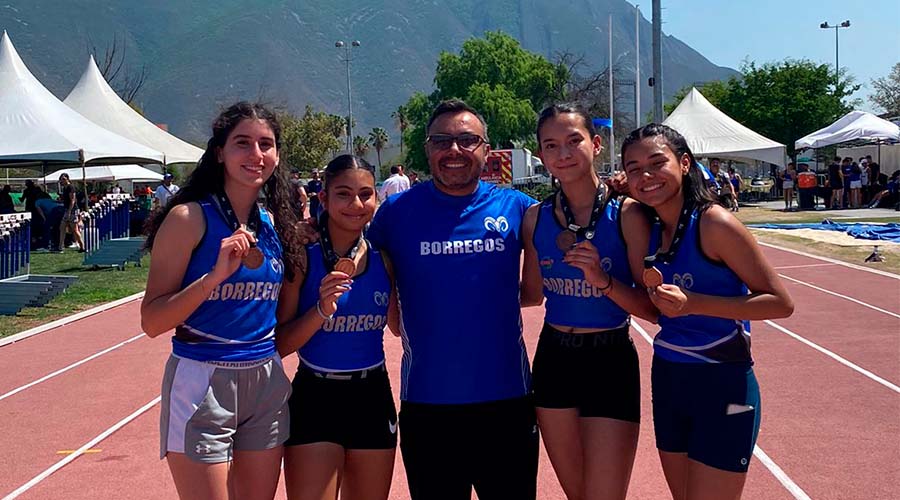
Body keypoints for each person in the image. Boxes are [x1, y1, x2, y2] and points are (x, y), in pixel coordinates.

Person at [366, 99, 539, 500]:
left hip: (507, 403)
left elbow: (576, 220)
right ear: (427, 149)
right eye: (442, 140)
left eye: (467, 140)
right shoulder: (394, 213)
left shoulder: (517, 208)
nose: (454, 150)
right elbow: (359, 263)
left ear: (486, 148)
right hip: (428, 407)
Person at [621, 123, 794, 500]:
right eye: (633, 169)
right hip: (669, 380)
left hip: (723, 384)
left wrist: (695, 303)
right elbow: (653, 310)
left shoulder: (714, 224)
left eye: (656, 163)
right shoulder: (647, 227)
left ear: (684, 164)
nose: (645, 176)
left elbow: (781, 303)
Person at [140, 102, 303, 500]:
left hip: (265, 378)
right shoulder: (188, 219)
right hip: (202, 378)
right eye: (242, 143)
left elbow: (278, 314)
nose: (256, 155)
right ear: (220, 152)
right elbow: (152, 322)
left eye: (266, 144)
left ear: (277, 155)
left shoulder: (273, 226)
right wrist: (214, 277)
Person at [520, 104, 658, 500]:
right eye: (551, 145)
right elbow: (530, 295)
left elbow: (649, 310)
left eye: (573, 141)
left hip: (609, 359)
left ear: (596, 145)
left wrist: (603, 281)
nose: (563, 153)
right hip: (554, 358)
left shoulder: (628, 214)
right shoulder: (535, 219)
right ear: (542, 156)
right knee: (577, 494)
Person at [276, 155, 397, 500]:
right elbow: (280, 344)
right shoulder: (301, 258)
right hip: (315, 396)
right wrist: (320, 310)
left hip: (372, 395)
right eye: (343, 194)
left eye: (365, 194)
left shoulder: (384, 261)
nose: (356, 204)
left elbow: (401, 327)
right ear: (323, 199)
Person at [57, 173, 84, 252]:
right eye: (61, 179)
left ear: (68, 179)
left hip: (72, 210)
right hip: (66, 210)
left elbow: (73, 200)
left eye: (64, 179)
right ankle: (60, 247)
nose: (62, 181)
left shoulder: (70, 187)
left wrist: (69, 211)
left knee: (74, 230)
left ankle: (82, 246)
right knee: (62, 227)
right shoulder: (65, 188)